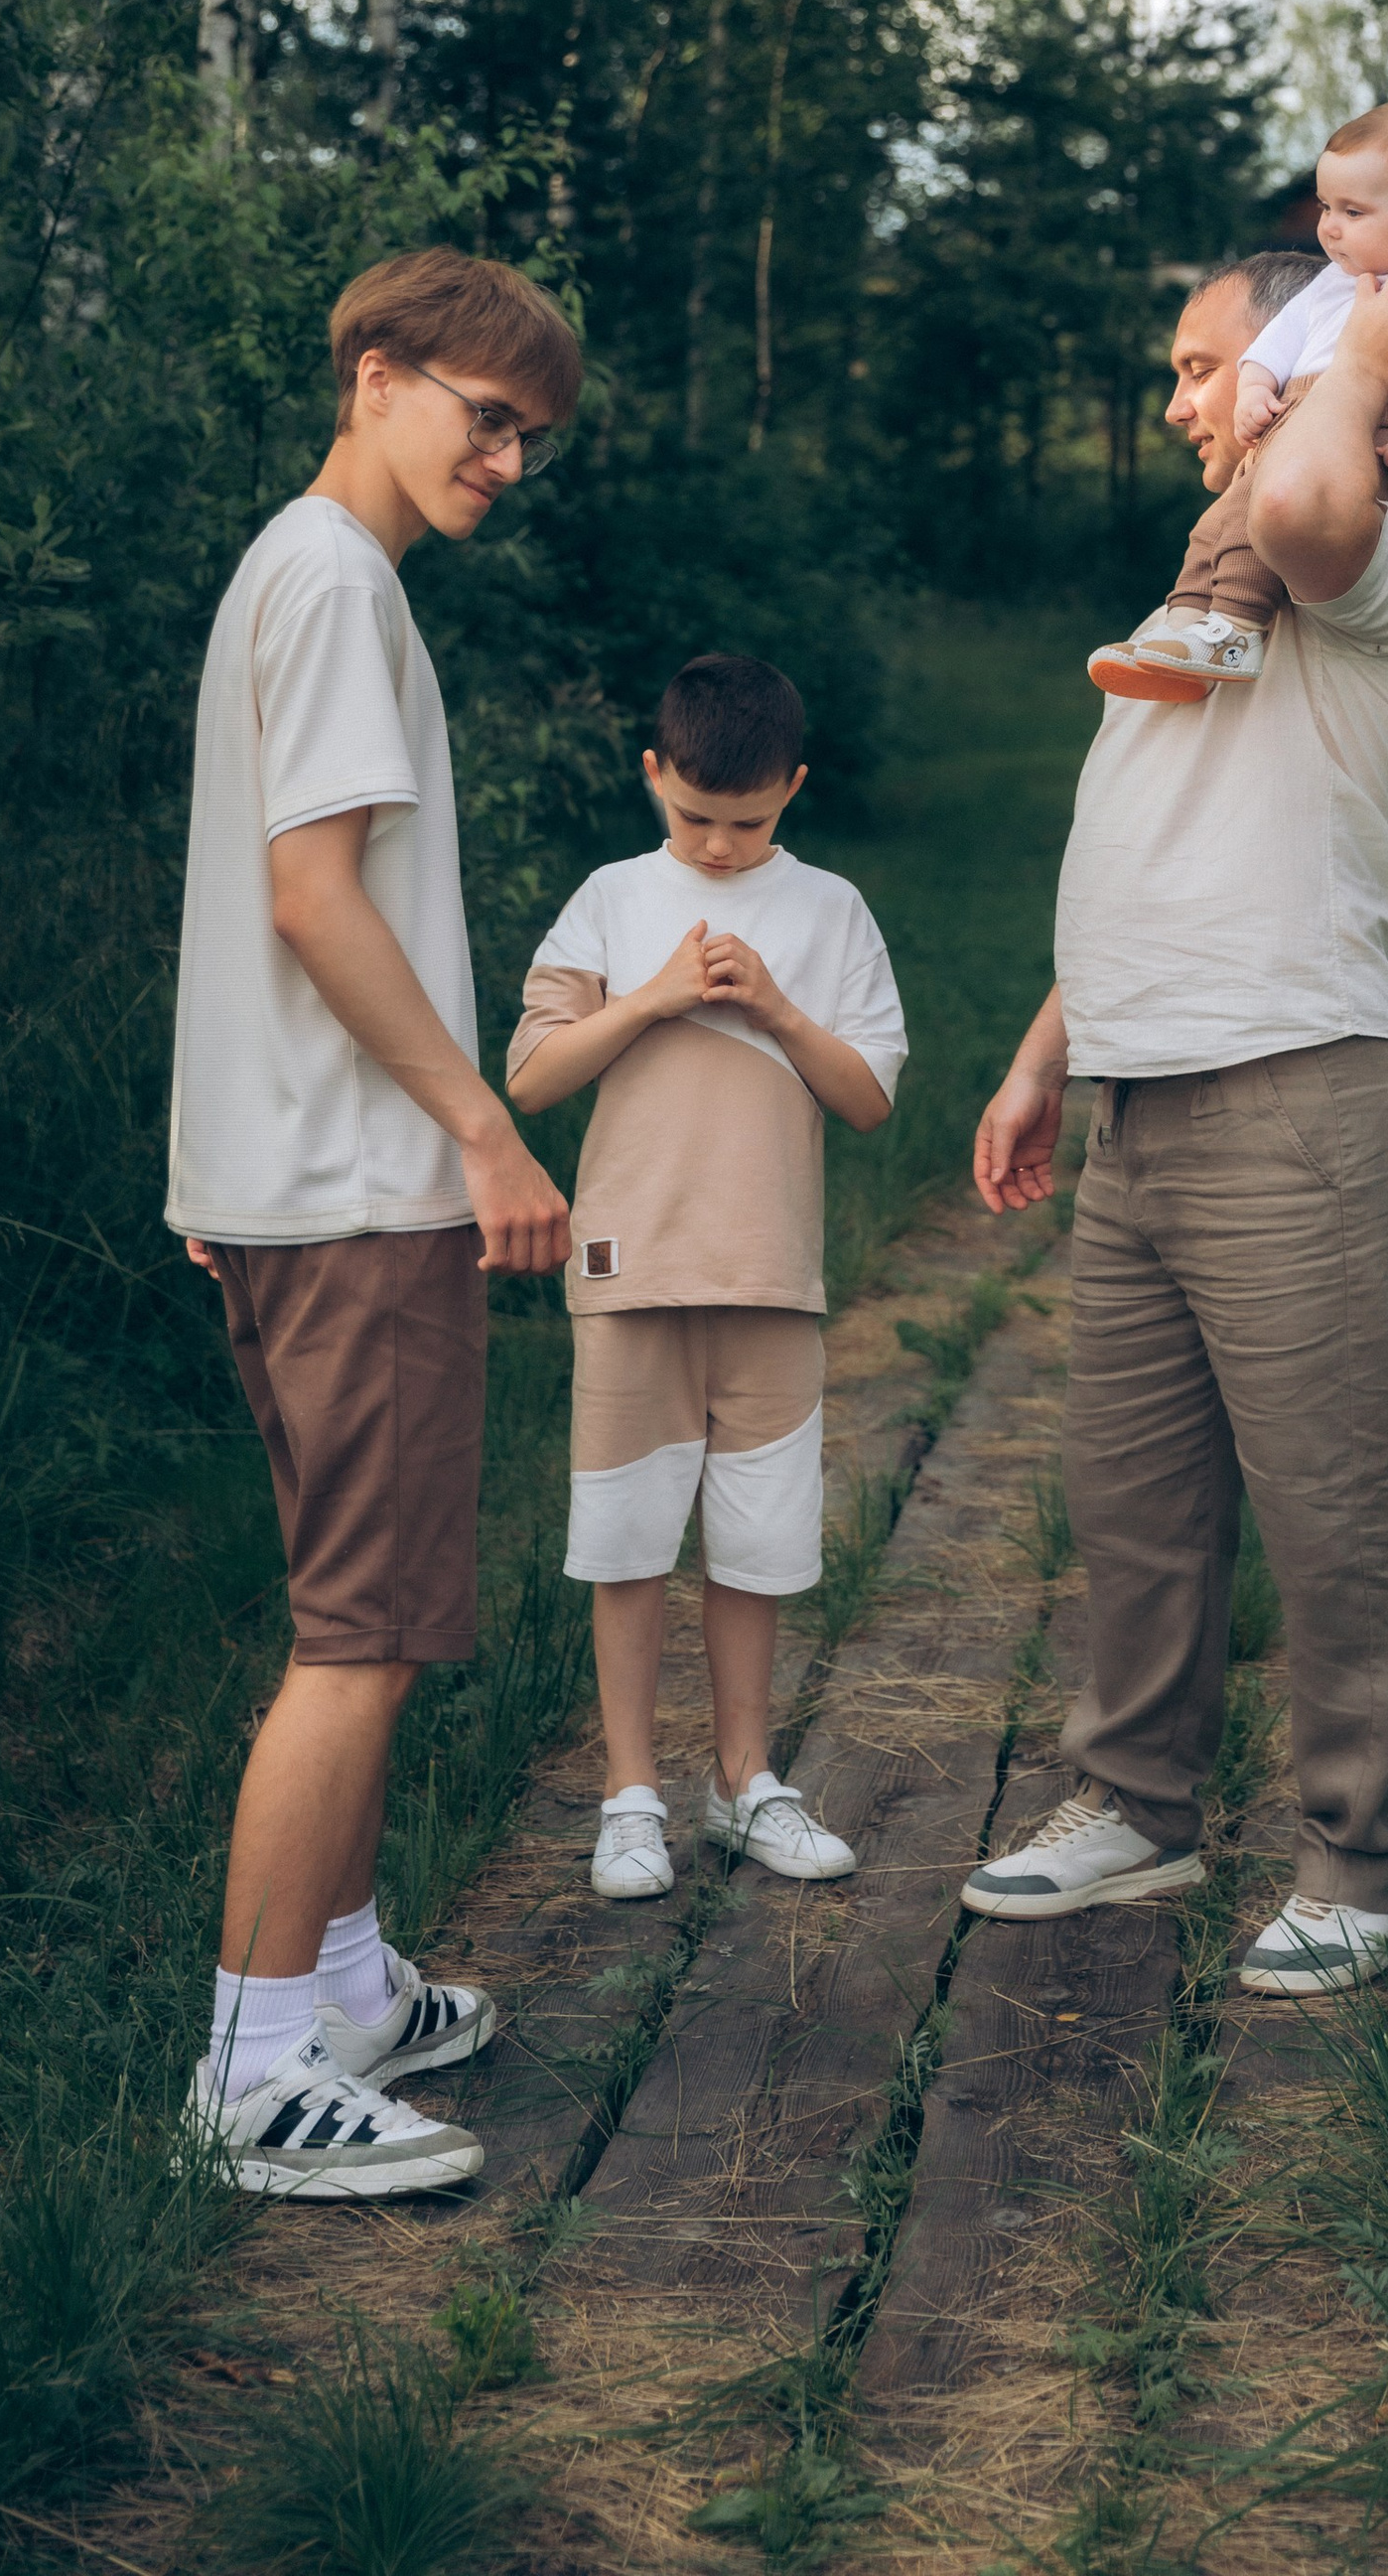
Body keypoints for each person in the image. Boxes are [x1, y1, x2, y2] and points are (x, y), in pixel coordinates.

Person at [961, 244, 1388, 1994]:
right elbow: (1157, 839)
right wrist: (1049, 1048)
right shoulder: (1210, 603)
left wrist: (1350, 364)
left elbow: (1322, 506)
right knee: (1135, 1494)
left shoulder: (1382, 568)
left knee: (1334, 1503)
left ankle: (1357, 1857)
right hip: (1141, 1095)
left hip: (1308, 1090)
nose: (1182, 406)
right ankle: (1139, 1808)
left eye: (1206, 367)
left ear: (1325, 363)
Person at [171, 248, 581, 2199]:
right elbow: (310, 904)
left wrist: (217, 1167)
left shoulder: (311, 574)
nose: (505, 459)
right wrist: (485, 1136)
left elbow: (268, 897)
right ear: (376, 375)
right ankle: (255, 2071)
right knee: (359, 1637)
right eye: (484, 416)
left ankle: (334, 1977)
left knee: (377, 1617)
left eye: (530, 439)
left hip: (300, 1184)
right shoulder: (333, 579)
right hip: (354, 1192)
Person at [505, 652, 905, 1902]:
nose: (721, 845)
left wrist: (779, 1011)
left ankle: (743, 1783)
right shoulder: (612, 899)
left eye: (748, 821)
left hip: (771, 1278)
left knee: (758, 1544)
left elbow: (872, 1100)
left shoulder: (832, 910)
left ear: (791, 788)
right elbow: (530, 1076)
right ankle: (632, 1795)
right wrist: (659, 998)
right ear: (653, 778)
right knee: (626, 1543)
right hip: (628, 1274)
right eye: (694, 818)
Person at [1089, 103, 1388, 702]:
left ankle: (1234, 628)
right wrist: (1254, 389)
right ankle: (1184, 626)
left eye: (1352, 212)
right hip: (1291, 422)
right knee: (1215, 526)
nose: (1329, 226)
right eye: (1327, 207)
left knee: (1254, 517)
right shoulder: (1332, 284)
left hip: (1370, 429)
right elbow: (1271, 350)